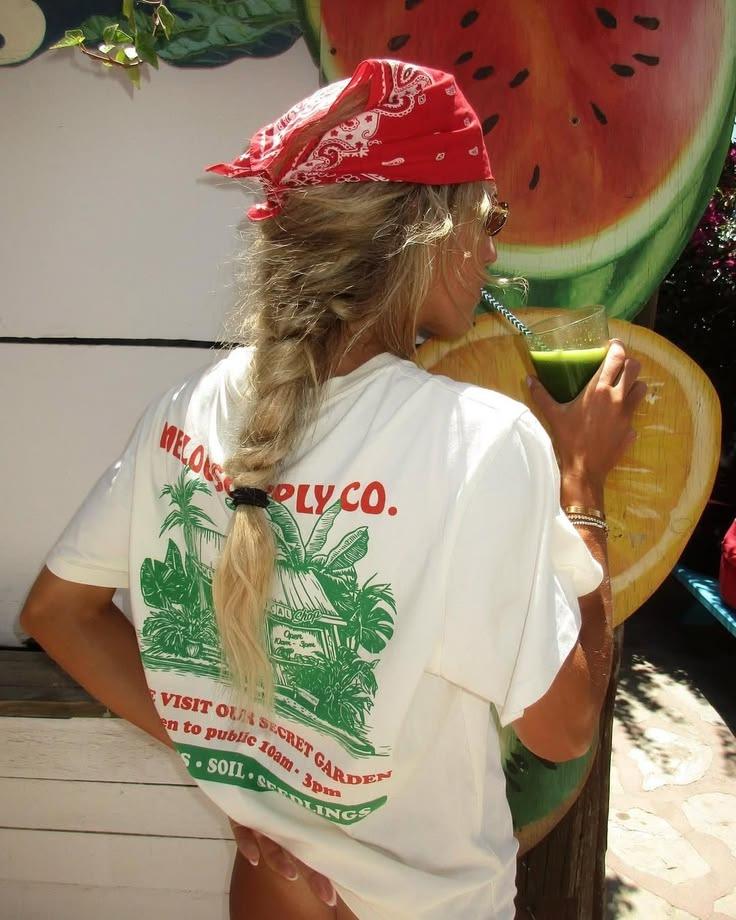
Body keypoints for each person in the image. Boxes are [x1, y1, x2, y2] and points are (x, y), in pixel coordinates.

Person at [20, 59, 646, 919]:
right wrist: (582, 481)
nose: (494, 250)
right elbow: (564, 728)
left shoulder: (189, 407)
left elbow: (57, 612)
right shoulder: (480, 441)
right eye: (489, 219)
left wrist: (233, 772)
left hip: (268, 892)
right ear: (429, 230)